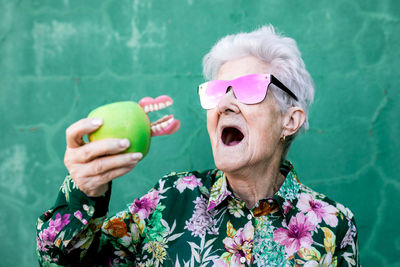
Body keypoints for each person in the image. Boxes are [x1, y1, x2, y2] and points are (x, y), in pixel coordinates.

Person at [36, 25, 360, 266]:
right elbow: (64, 261)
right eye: (218, 91)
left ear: (290, 120)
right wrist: (83, 192)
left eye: (247, 88)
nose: (225, 105)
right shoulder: (170, 199)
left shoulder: (333, 223)